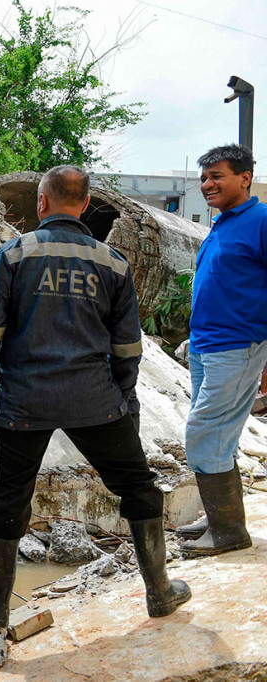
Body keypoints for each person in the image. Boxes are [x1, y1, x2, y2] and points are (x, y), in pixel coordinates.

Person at [0, 165, 190, 628]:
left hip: (25, 401)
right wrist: (123, 397)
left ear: (42, 203)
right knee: (139, 489)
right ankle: (160, 591)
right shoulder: (113, 263)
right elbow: (127, 348)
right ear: (85, 205)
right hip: (95, 402)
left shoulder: (13, 255)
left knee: (9, 497)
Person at [176, 144, 267, 558]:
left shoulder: (261, 221)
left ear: (245, 178)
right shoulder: (222, 223)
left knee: (204, 432)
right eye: (204, 178)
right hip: (206, 346)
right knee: (219, 436)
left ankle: (229, 531)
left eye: (218, 177)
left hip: (237, 346)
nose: (207, 184)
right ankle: (219, 517)